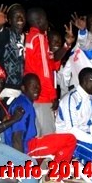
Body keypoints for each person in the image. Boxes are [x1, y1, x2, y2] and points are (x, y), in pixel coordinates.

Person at [4, 73, 76, 183]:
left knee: (56, 143)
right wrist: (21, 168)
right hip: (27, 147)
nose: (37, 89)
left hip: (28, 145)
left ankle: (47, 176)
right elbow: (17, 137)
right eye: (33, 86)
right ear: (23, 88)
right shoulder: (23, 104)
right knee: (70, 140)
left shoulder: (23, 102)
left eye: (38, 86)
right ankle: (50, 178)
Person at [24, 8, 74, 136]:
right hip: (42, 97)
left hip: (37, 96)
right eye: (46, 19)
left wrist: (66, 45)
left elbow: (51, 63)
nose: (47, 22)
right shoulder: (39, 38)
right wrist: (52, 96)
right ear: (40, 21)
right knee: (48, 138)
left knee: (39, 137)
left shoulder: (32, 37)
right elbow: (45, 72)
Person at [0, 3, 26, 103]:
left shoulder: (25, 37)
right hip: (6, 90)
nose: (20, 18)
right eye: (16, 16)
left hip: (21, 90)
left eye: (22, 16)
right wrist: (0, 27)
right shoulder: (7, 34)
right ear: (9, 20)